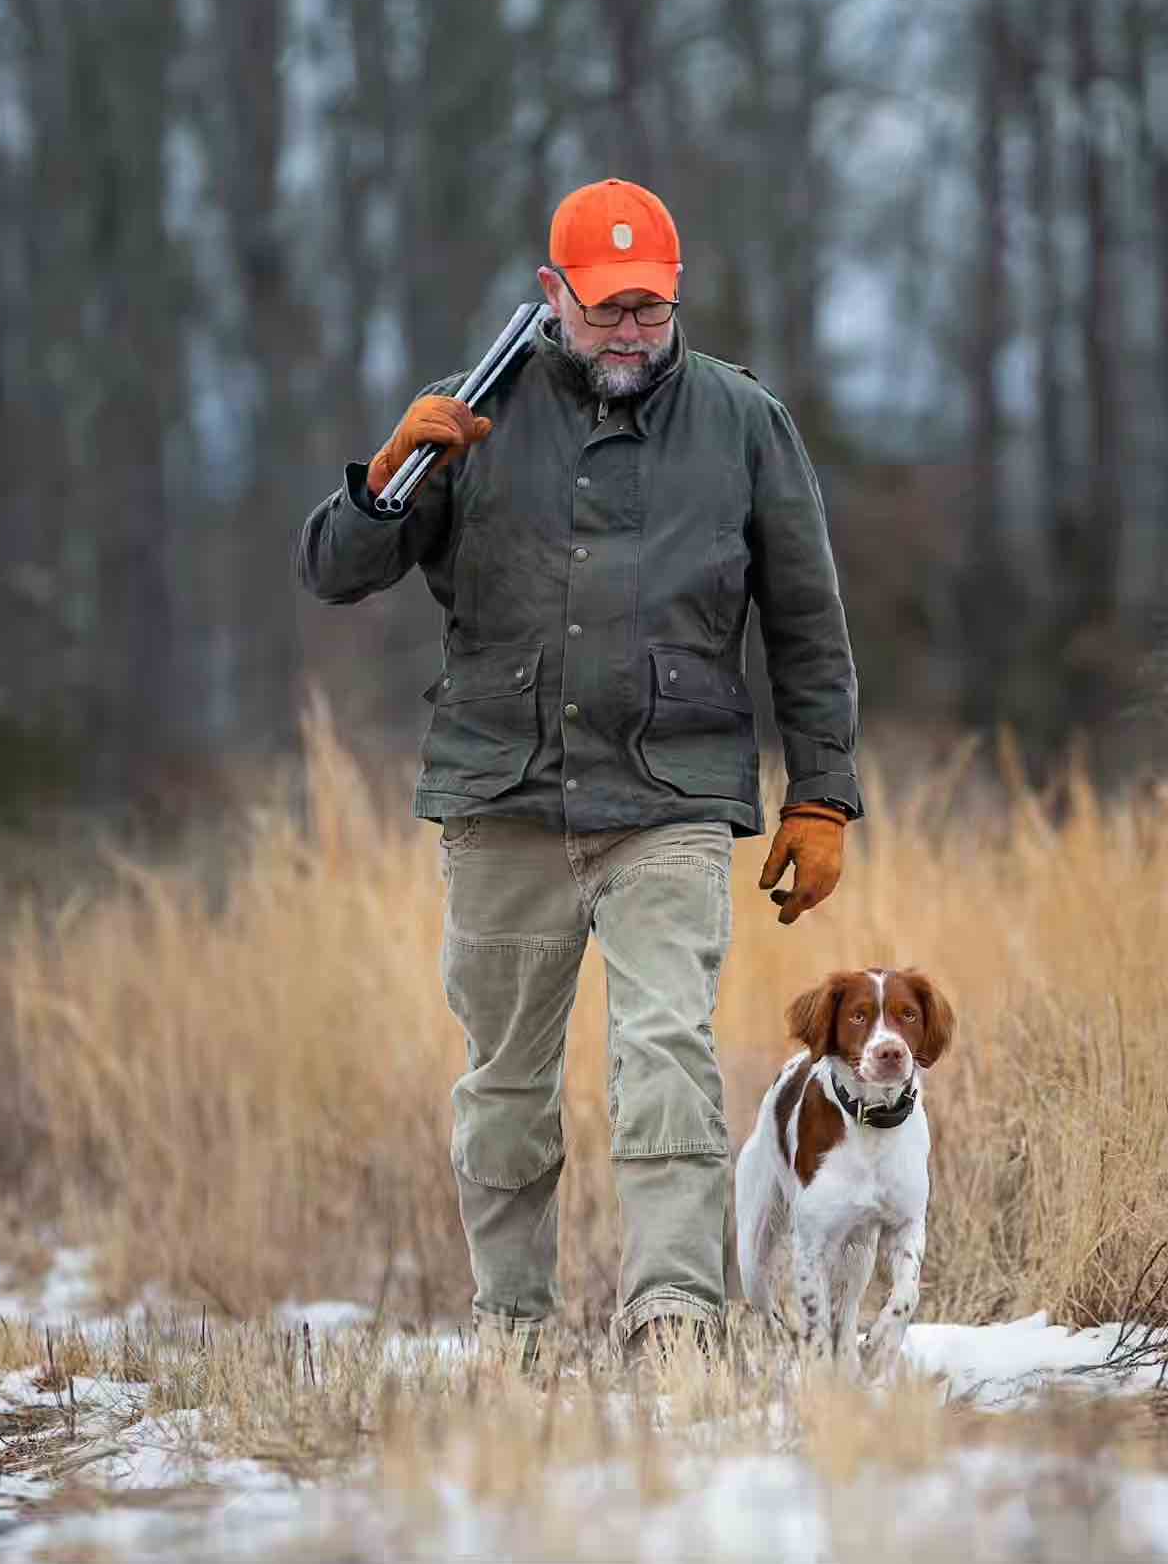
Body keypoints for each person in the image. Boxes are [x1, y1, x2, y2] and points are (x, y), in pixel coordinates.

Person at [294, 178, 862, 1372]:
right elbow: (333, 575)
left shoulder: (743, 420)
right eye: (606, 309)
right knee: (504, 1084)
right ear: (552, 297)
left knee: (666, 1058)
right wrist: (388, 470)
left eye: (649, 309)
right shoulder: (471, 411)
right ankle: (512, 1330)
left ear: (677, 297)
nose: (629, 332)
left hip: (668, 798)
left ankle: (674, 1323)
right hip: (502, 802)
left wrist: (820, 794)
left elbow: (807, 622)